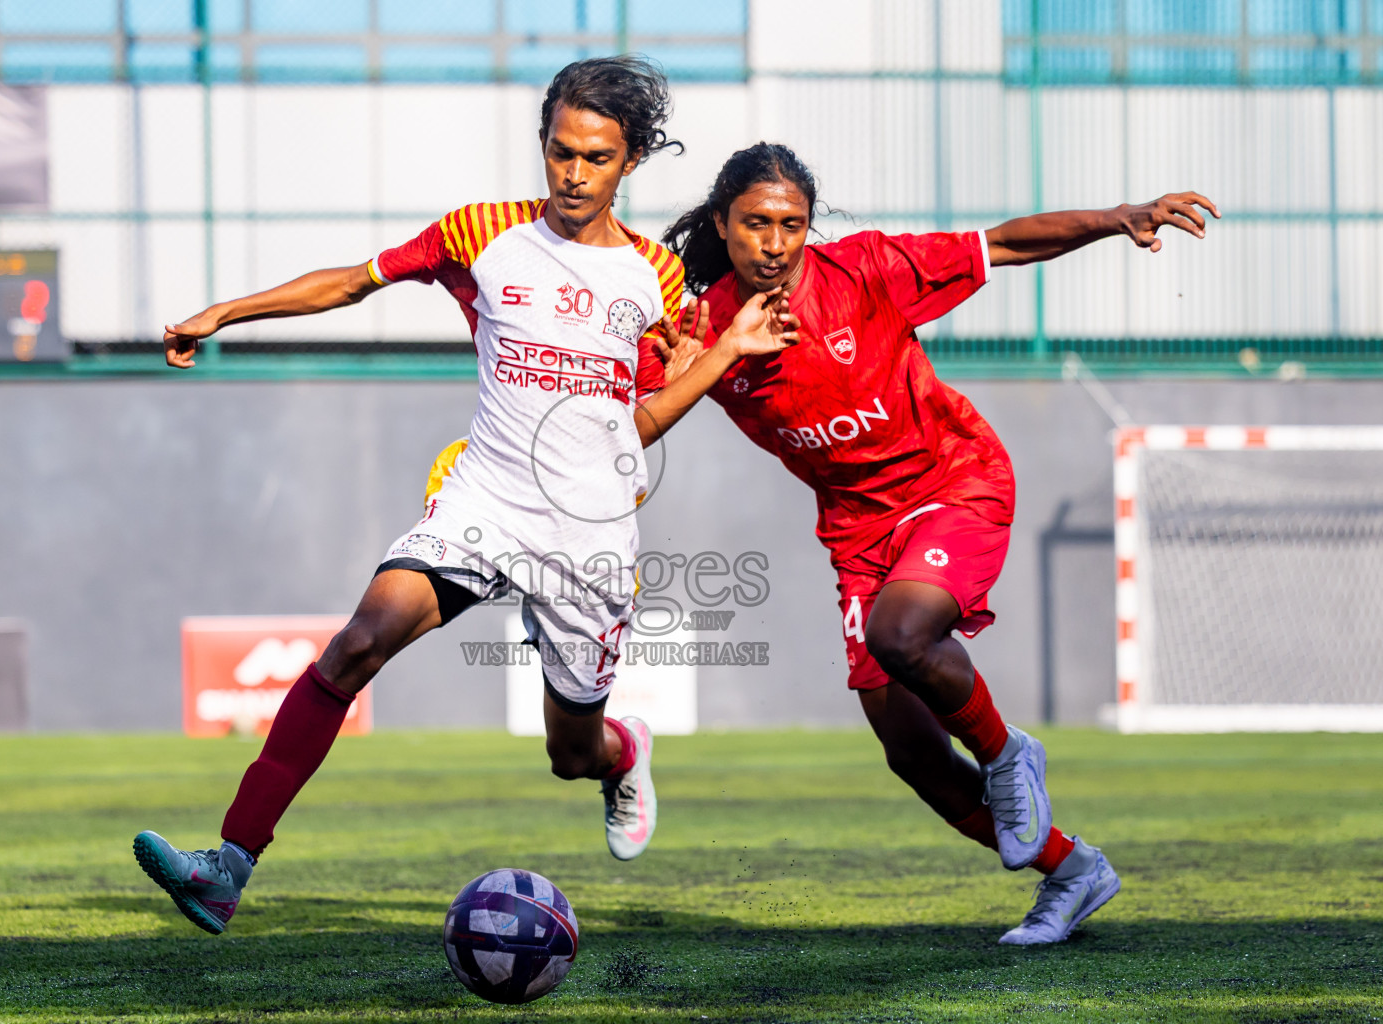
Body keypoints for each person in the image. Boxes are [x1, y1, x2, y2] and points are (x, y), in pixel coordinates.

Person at [131, 58, 797, 936]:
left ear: (629, 161)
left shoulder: (654, 282)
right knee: (356, 646)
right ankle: (228, 865)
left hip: (589, 535)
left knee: (571, 752)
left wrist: (721, 355)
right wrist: (227, 313)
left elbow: (634, 426)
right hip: (483, 502)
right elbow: (352, 280)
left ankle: (623, 753)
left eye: (595, 157)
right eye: (560, 152)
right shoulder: (481, 232)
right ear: (544, 145)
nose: (573, 173)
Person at [657, 142, 1218, 945]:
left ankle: (1007, 751)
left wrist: (1116, 218)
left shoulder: (865, 273)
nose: (774, 243)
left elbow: (1003, 244)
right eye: (755, 224)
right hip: (856, 531)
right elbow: (636, 420)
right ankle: (1071, 870)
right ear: (723, 223)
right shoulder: (697, 327)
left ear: (810, 227)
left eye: (792, 224)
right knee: (912, 751)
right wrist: (709, 360)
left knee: (902, 634)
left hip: (954, 482)